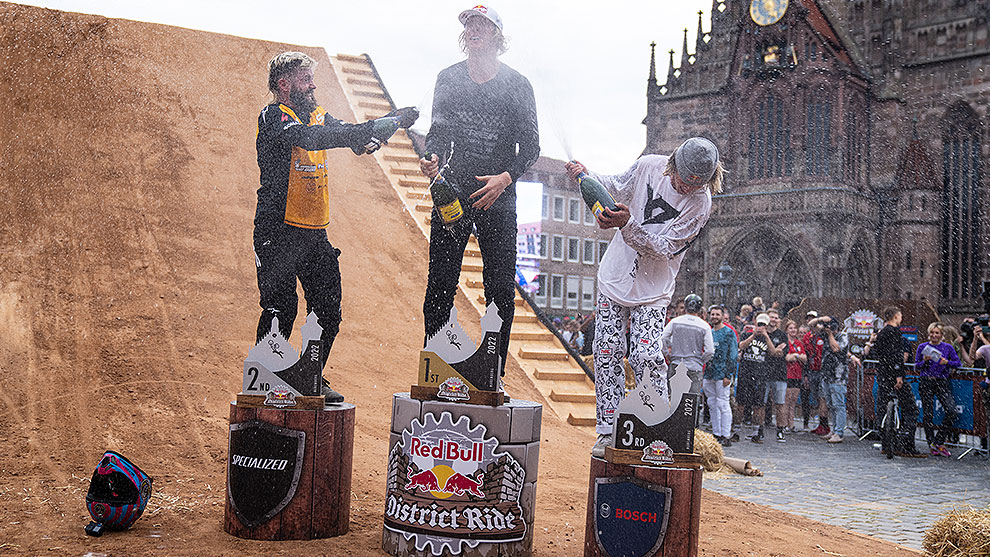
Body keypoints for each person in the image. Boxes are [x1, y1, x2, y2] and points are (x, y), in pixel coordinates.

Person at [254, 51, 417, 402]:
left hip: (313, 232)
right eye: (305, 79)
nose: (313, 85)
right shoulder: (272, 116)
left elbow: (347, 135)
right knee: (281, 309)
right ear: (284, 85)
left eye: (312, 79)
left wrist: (389, 123)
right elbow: (313, 139)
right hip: (276, 230)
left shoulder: (317, 113)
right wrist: (365, 131)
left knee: (328, 310)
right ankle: (265, 382)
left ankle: (309, 375)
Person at [565, 137, 723, 457]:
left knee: (646, 354)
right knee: (607, 350)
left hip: (654, 288)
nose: (687, 187)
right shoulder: (649, 165)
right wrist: (587, 174)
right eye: (683, 179)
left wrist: (627, 224)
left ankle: (656, 425)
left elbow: (664, 248)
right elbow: (617, 186)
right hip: (615, 277)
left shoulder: (701, 203)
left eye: (697, 183)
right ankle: (608, 429)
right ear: (673, 164)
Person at [419, 5, 540, 379]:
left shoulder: (518, 85)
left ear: (496, 36)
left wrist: (505, 178)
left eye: (481, 24)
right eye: (469, 23)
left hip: (498, 195)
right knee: (440, 279)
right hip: (453, 190)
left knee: (500, 284)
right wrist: (431, 157)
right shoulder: (449, 78)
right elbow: (436, 131)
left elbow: (531, 147)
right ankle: (434, 362)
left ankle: (494, 371)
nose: (473, 28)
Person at [865, 306, 925, 457]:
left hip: (883, 374)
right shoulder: (895, 332)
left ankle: (886, 443)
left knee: (882, 408)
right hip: (894, 375)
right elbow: (897, 355)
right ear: (896, 316)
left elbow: (878, 354)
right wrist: (898, 375)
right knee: (911, 408)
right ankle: (905, 444)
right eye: (900, 315)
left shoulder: (881, 333)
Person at [914, 323, 961, 456]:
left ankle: (938, 440)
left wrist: (947, 363)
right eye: (932, 333)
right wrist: (925, 361)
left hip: (942, 381)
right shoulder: (922, 347)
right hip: (926, 381)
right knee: (928, 414)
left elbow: (958, 363)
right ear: (929, 334)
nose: (934, 335)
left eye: (937, 333)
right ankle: (931, 443)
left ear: (941, 335)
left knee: (951, 410)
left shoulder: (948, 347)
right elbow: (916, 366)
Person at [661, 293, 715, 396]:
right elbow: (710, 351)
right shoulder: (704, 326)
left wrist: (667, 354)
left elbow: (663, 338)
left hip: (676, 364)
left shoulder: (675, 322)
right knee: (691, 401)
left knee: (673, 398)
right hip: (694, 367)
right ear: (699, 308)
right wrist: (701, 360)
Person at [705, 304, 738, 447]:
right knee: (711, 403)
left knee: (723, 403)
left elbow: (733, 354)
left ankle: (726, 434)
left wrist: (728, 374)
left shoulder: (729, 333)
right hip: (709, 372)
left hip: (722, 372)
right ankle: (716, 432)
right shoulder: (708, 332)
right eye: (713, 314)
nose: (715, 317)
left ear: (722, 316)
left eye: (717, 314)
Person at [819, 316, 854, 443]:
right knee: (831, 405)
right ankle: (834, 430)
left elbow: (836, 348)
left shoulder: (843, 336)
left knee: (839, 405)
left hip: (838, 377)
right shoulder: (825, 335)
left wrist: (830, 335)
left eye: (833, 327)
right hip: (827, 375)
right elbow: (812, 325)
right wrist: (821, 319)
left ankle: (839, 432)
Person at [804, 314, 831, 435]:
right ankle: (822, 423)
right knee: (818, 399)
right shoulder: (810, 336)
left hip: (823, 371)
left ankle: (825, 425)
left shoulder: (824, 334)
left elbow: (821, 323)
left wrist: (821, 320)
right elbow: (810, 325)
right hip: (813, 370)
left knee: (823, 398)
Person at [783, 319, 807, 433]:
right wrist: (798, 356)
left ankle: (791, 424)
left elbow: (805, 358)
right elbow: (787, 358)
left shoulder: (798, 343)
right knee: (786, 401)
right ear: (787, 330)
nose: (793, 330)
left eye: (794, 328)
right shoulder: (785, 342)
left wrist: (795, 355)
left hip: (797, 374)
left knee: (793, 402)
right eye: (790, 328)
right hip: (787, 374)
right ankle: (784, 424)